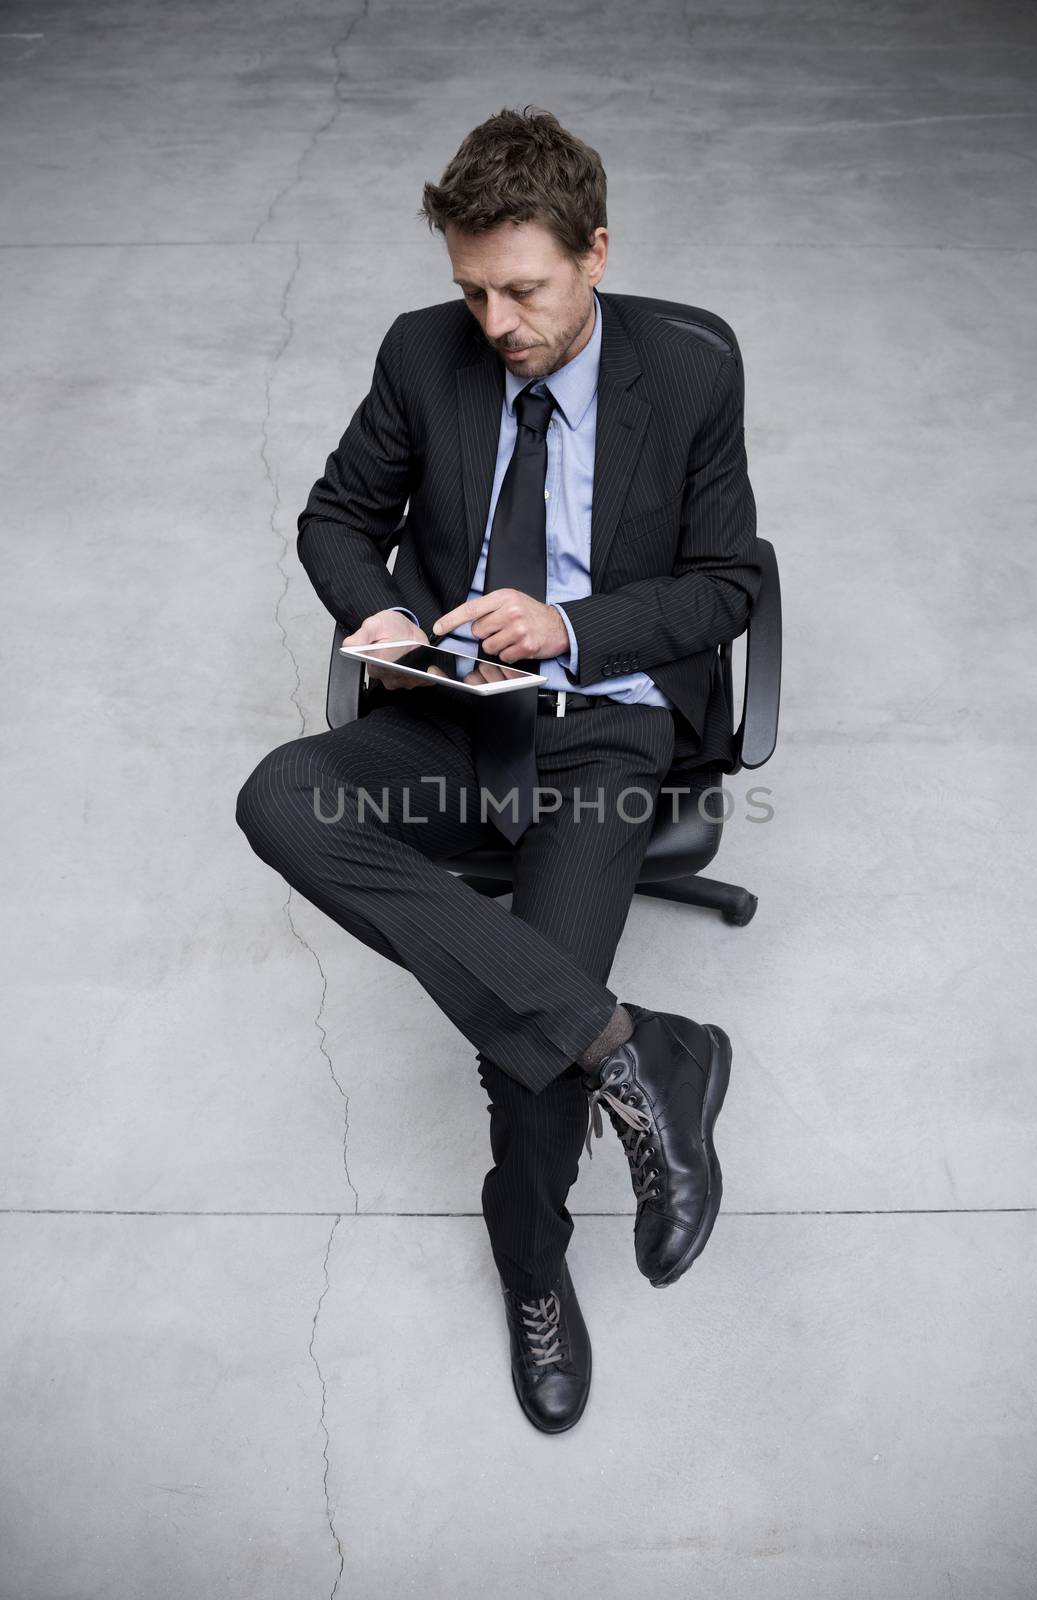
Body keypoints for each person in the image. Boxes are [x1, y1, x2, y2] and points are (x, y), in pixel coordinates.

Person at [235, 105, 760, 1435]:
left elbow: (726, 584)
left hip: (603, 725)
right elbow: (338, 517)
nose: (494, 323)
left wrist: (572, 626)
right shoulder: (426, 354)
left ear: (596, 250)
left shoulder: (689, 375)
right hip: (456, 709)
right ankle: (646, 1056)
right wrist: (384, 617)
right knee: (280, 797)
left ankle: (533, 1269)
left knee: (524, 1050)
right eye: (472, 290)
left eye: (522, 289)